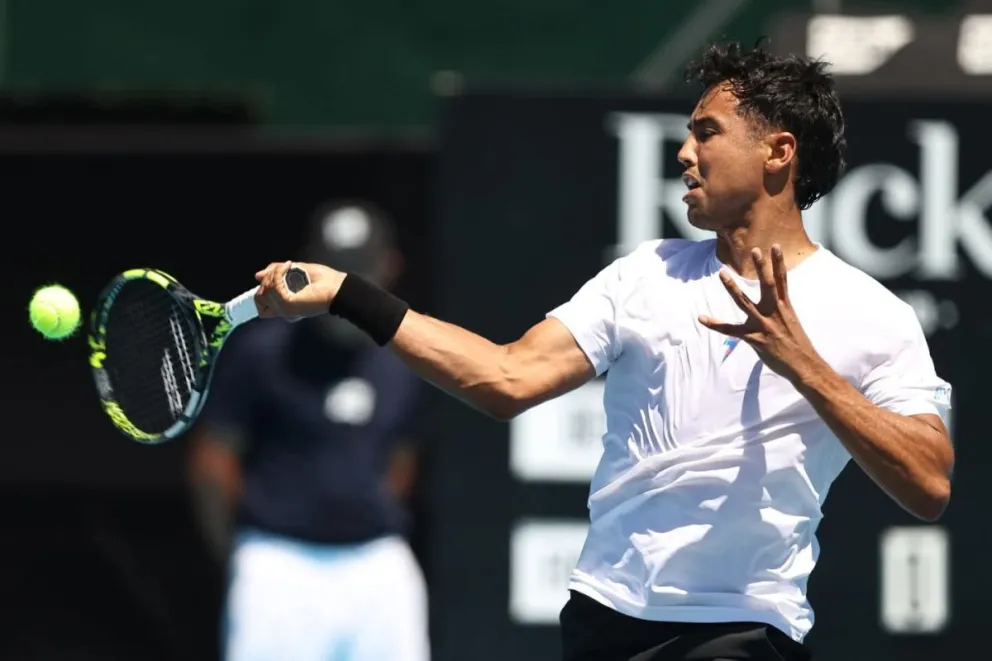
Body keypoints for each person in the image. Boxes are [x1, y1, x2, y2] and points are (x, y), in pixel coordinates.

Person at [251, 42, 955, 661]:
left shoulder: (872, 314)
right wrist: (350, 293)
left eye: (706, 133)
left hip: (741, 631)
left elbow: (928, 483)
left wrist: (803, 364)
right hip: (603, 622)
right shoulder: (644, 273)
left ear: (778, 151)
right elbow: (505, 377)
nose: (684, 152)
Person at [186, 201, 430, 661]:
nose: (347, 294)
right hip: (278, 566)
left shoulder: (405, 363)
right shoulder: (261, 354)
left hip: (377, 568)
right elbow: (212, 464)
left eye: (359, 275)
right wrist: (243, 554)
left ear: (390, 267)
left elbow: (402, 460)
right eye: (338, 275)